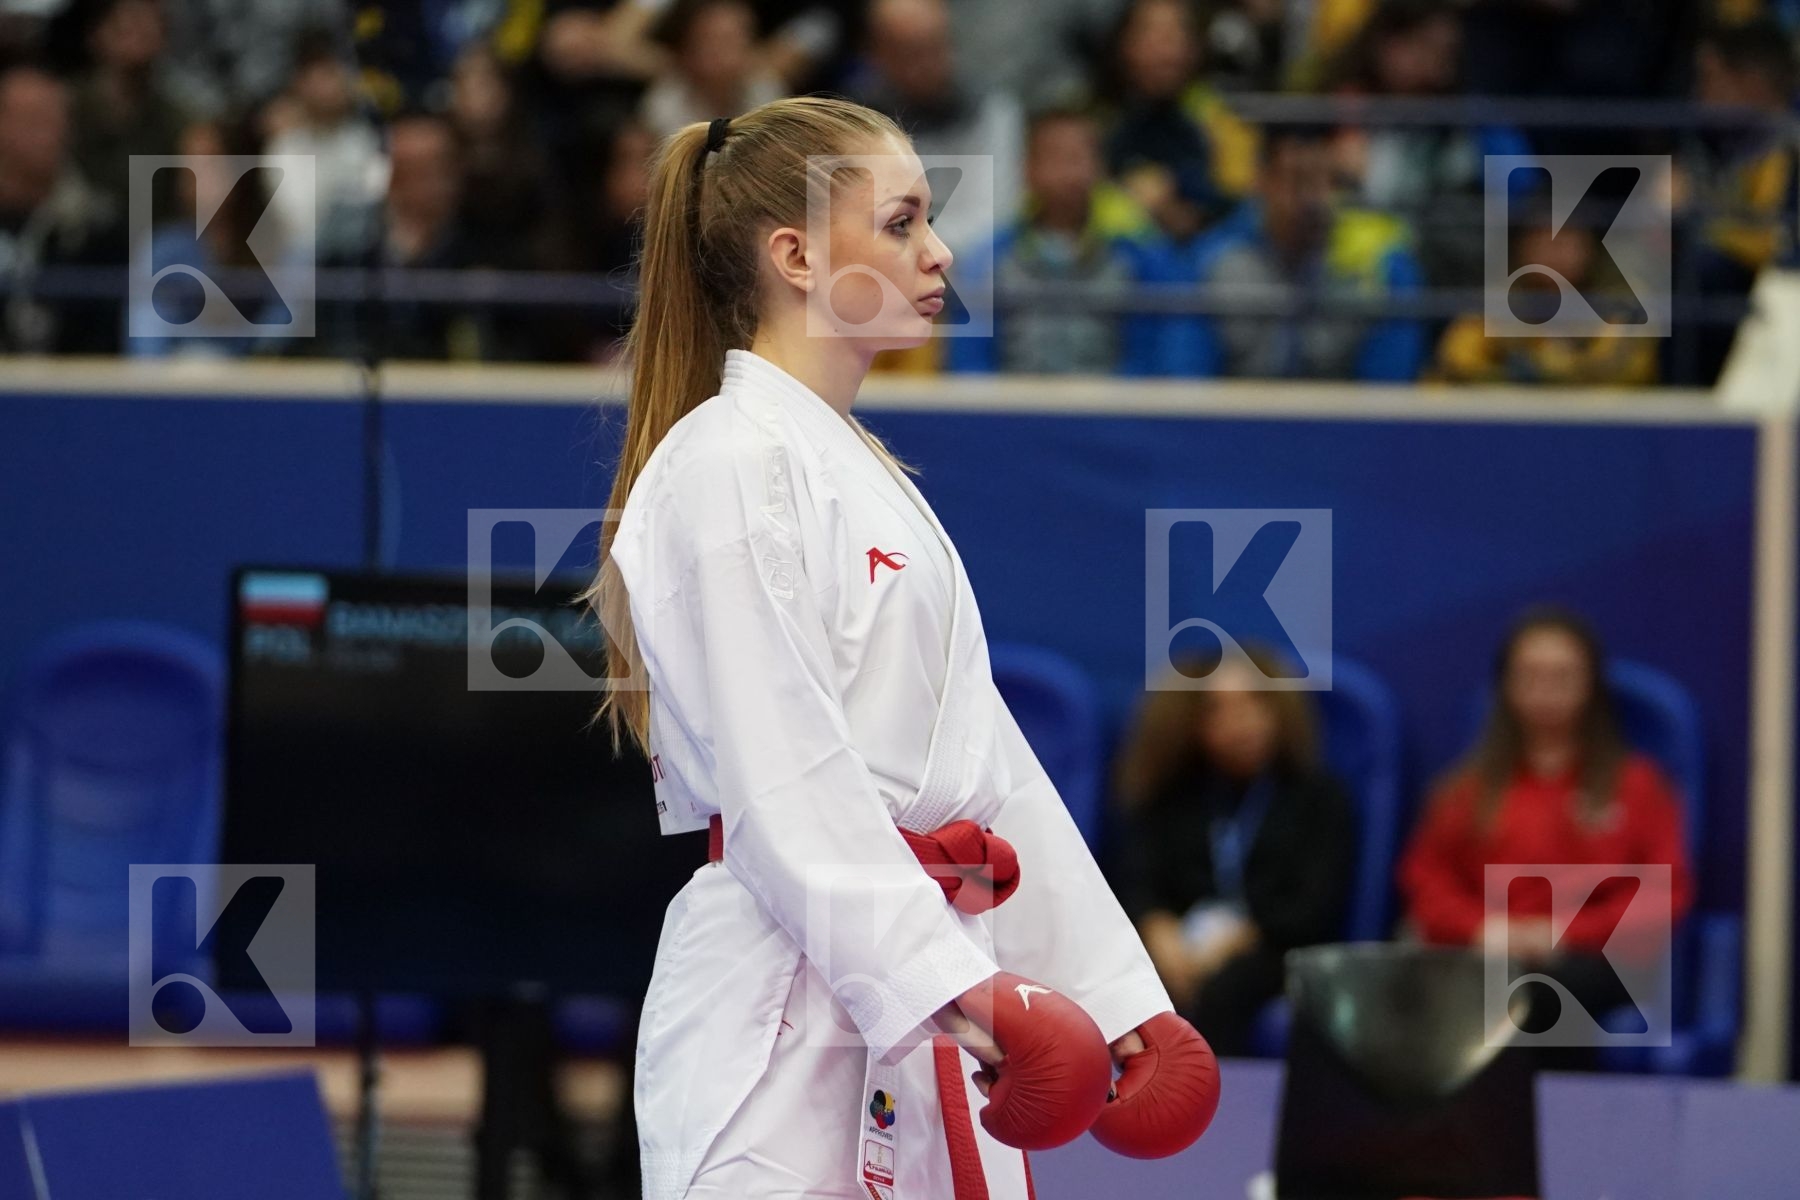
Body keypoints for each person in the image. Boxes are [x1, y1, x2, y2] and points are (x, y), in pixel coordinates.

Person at [588, 96, 1219, 1199]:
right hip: (782, 1008)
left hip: (922, 981)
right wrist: (964, 996)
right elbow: (787, 779)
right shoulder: (725, 464)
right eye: (902, 222)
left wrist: (1119, 999)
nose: (938, 255)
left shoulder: (869, 473)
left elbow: (993, 780)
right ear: (793, 254)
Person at [1398, 607, 1694, 1061]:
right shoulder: (1464, 791)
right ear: (1507, 685)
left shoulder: (1636, 785)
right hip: (1485, 955)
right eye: (1530, 675)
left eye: (1562, 676)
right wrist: (1484, 930)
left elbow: (1663, 892)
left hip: (1593, 962)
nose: (1545, 691)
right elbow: (1426, 881)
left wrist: (1562, 933)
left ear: (1590, 686)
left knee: (1534, 994)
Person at [1110, 647, 1357, 1056]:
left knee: (1229, 987)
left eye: (1254, 702)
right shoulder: (1171, 797)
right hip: (1183, 945)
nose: (1239, 722)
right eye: (1217, 709)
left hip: (1274, 949)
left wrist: (1240, 938)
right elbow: (1136, 880)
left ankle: (1207, 1103)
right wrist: (1157, 928)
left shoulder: (1320, 798)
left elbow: (1315, 907)